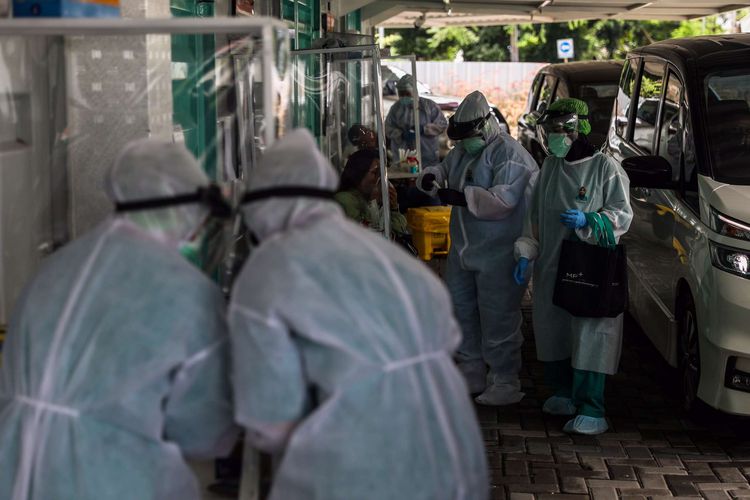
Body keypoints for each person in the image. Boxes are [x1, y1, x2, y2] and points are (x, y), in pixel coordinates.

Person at [230, 128, 488, 500]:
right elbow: (446, 337)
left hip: (356, 458)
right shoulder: (388, 257)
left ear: (263, 206)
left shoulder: (272, 268)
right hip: (448, 441)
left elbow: (270, 421)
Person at [0, 139, 238, 500]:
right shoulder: (185, 292)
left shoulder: (54, 270)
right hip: (115, 480)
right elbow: (205, 433)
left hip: (15, 470)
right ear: (187, 209)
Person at [513, 98, 633, 435]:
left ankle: (592, 407)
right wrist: (526, 251)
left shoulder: (605, 168)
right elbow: (534, 218)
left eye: (558, 129)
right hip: (551, 267)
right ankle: (562, 393)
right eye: (549, 130)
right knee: (554, 330)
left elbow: (622, 216)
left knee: (590, 334)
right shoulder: (550, 167)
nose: (553, 137)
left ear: (577, 128)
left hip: (590, 269)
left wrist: (590, 220)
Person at [417, 90, 539, 406]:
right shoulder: (465, 151)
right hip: (464, 249)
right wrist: (431, 177)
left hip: (499, 251)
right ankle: (471, 370)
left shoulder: (509, 155)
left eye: (468, 136)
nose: (464, 144)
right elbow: (444, 168)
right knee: (461, 310)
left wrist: (460, 197)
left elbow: (502, 201)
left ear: (484, 127)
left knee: (498, 315)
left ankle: (505, 379)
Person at [335, 148, 409, 237]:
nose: (379, 178)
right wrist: (372, 203)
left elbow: (398, 232)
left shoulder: (365, 197)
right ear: (359, 173)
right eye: (375, 173)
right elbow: (368, 235)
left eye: (381, 174)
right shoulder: (344, 200)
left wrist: (394, 208)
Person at [385, 74, 448, 167]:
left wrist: (423, 129)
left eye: (407, 93)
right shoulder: (396, 108)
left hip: (427, 156)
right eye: (401, 94)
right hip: (402, 158)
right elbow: (388, 127)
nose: (404, 97)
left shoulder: (429, 106)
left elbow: (442, 124)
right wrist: (400, 134)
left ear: (414, 91)